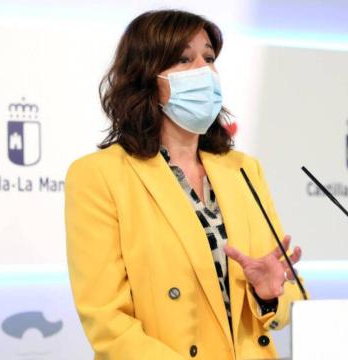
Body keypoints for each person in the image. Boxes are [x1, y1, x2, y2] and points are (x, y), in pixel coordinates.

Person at [65, 9, 305, 360]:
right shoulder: (98, 176)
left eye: (209, 58)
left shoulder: (243, 170)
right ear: (146, 75)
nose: (203, 71)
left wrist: (268, 294)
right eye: (183, 59)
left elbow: (293, 300)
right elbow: (107, 323)